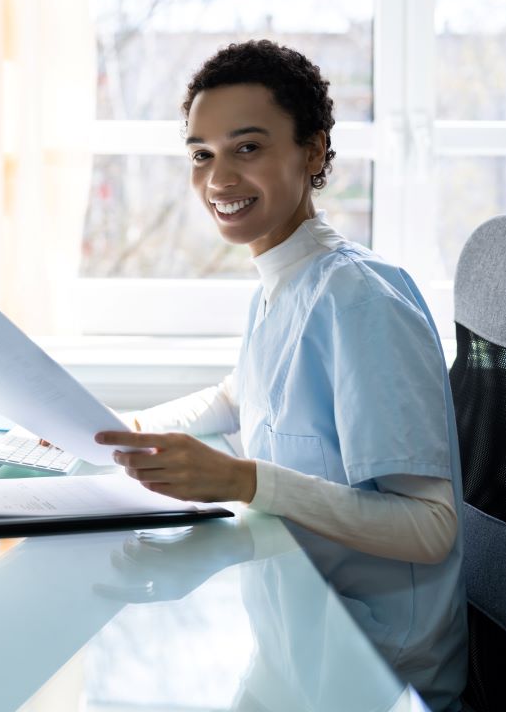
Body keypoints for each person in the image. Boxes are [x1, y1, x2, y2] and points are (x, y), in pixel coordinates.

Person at [93, 40, 467, 710]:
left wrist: (242, 479)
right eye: (201, 154)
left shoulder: (361, 298)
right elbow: (242, 396)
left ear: (314, 152)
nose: (218, 179)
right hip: (297, 636)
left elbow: (431, 527)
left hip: (374, 668)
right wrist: (129, 430)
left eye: (247, 148)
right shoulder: (281, 281)